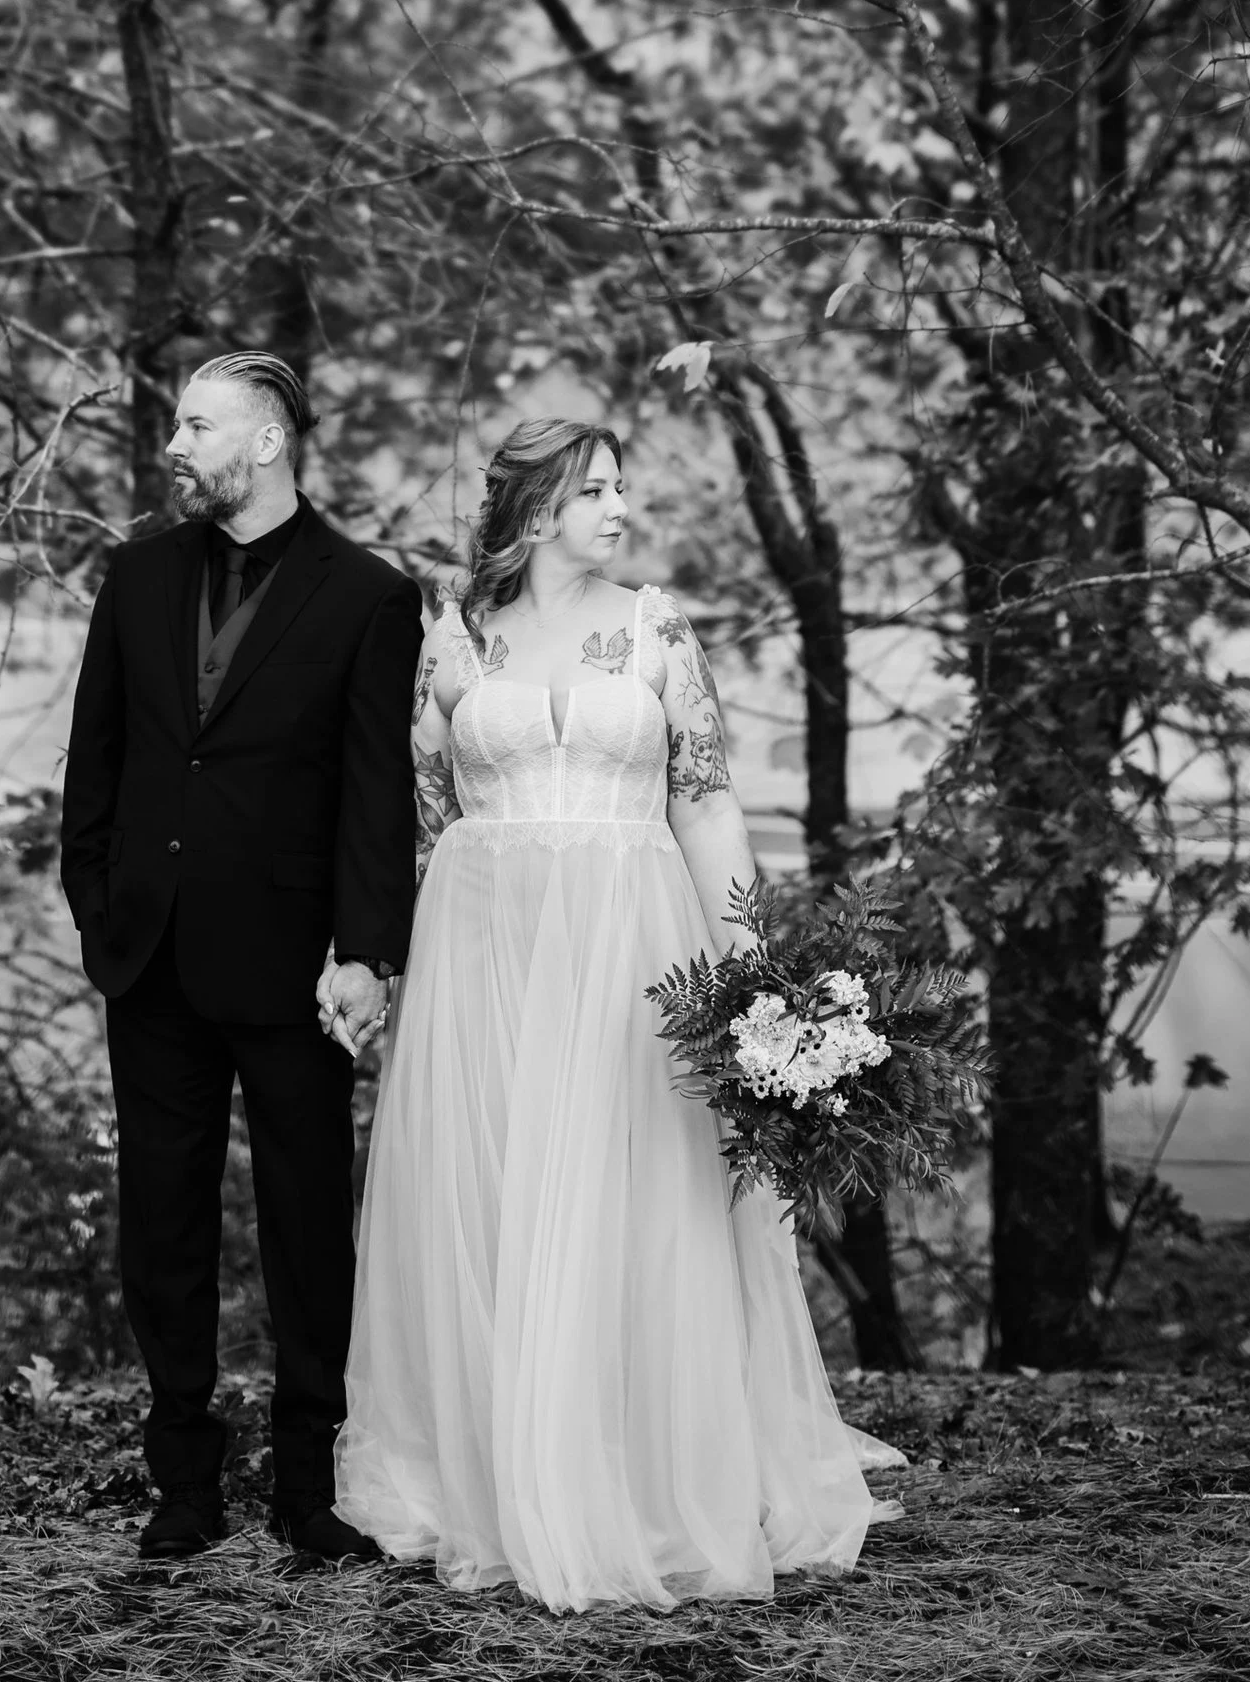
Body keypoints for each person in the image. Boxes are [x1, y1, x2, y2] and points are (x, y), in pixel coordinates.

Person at [335, 415, 902, 1610]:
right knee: (494, 1197)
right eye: (596, 488)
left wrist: (756, 980)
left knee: (634, 1191)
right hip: (485, 956)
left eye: (622, 486)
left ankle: (644, 1472)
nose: (620, 507)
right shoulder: (450, 635)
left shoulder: (658, 627)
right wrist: (383, 962)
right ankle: (500, 1466)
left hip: (636, 949)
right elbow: (424, 813)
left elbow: (704, 804)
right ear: (536, 507)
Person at [59, 351, 423, 1564]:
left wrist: (366, 951)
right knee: (160, 1224)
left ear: (265, 440)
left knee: (308, 1226)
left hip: (292, 972)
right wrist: (96, 904)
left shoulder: (368, 594)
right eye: (176, 418)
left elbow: (376, 793)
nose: (175, 440)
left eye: (196, 422)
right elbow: (95, 761)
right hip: (149, 955)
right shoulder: (138, 573)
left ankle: (310, 1483)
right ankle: (184, 1480)